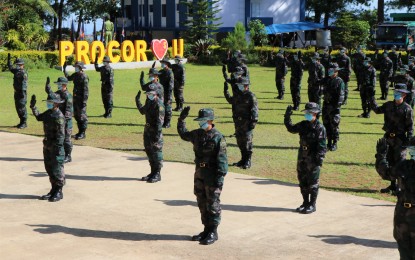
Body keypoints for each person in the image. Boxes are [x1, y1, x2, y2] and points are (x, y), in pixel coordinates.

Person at [177, 107, 228, 245]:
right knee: (201, 202)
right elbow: (183, 134)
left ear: (211, 121)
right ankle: (206, 229)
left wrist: (219, 178)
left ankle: (213, 231)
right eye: (200, 121)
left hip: (212, 175)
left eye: (204, 121)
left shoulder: (218, 137)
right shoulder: (197, 134)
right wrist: (181, 119)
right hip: (200, 173)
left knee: (213, 203)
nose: (201, 123)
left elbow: (222, 160)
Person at [375, 137, 415, 260]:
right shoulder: (405, 166)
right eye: (412, 149)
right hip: (402, 216)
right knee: (404, 251)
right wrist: (381, 155)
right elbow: (385, 172)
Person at [370, 83, 414, 195]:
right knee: (389, 161)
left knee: (400, 162)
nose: (396, 94)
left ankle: (400, 187)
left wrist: (408, 141)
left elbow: (410, 127)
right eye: (395, 92)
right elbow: (377, 110)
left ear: (404, 94)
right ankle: (392, 185)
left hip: (400, 139)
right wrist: (371, 99)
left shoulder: (407, 109)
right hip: (388, 137)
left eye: (398, 93)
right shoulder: (388, 105)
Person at [284, 102, 327, 214]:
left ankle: (312, 205)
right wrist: (287, 117)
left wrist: (319, 160)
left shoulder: (320, 128)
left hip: (313, 157)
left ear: (316, 114)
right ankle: (305, 202)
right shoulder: (303, 124)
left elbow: (322, 146)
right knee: (302, 180)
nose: (307, 114)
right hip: (302, 155)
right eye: (306, 112)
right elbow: (291, 128)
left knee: (312, 182)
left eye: (310, 112)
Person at [30, 94, 65, 202]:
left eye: (50, 102)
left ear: (56, 104)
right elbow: (39, 117)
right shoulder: (49, 113)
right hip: (47, 144)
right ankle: (53, 190)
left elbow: (61, 135)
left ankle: (59, 191)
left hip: (55, 147)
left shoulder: (59, 117)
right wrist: (33, 107)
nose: (48, 103)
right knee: (49, 168)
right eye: (48, 102)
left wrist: (57, 148)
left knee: (57, 169)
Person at [224, 77, 258, 169]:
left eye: (241, 85)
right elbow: (230, 100)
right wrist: (226, 90)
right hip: (238, 122)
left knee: (247, 141)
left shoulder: (251, 96)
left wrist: (253, 121)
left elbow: (254, 110)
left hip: (247, 122)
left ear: (246, 86)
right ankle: (243, 159)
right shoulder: (237, 95)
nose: (239, 87)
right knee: (240, 141)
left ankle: (248, 161)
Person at [135, 86, 165, 183]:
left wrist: (156, 134)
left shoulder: (159, 104)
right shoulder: (149, 102)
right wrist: (137, 101)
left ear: (156, 94)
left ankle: (157, 173)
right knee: (149, 151)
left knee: (156, 152)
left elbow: (160, 121)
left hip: (155, 131)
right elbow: (142, 111)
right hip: (147, 130)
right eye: (148, 94)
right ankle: (152, 172)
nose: (149, 96)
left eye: (151, 94)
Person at [45, 77, 73, 163]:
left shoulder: (68, 96)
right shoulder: (58, 93)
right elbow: (52, 96)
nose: (58, 86)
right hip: (59, 119)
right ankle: (61, 154)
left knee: (66, 139)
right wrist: (48, 88)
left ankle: (68, 156)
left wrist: (63, 120)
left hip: (66, 120)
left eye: (59, 84)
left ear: (64, 85)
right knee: (58, 138)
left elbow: (68, 111)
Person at [322, 63, 345, 151]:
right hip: (326, 105)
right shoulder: (327, 80)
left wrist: (337, 106)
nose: (330, 72)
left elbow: (341, 95)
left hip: (334, 107)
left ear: (336, 72)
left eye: (332, 71)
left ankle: (334, 143)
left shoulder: (339, 81)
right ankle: (328, 143)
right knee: (326, 124)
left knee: (334, 125)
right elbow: (318, 83)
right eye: (329, 70)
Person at [64, 61, 89, 140]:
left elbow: (86, 91)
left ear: (80, 68)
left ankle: (83, 133)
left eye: (77, 67)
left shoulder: (84, 77)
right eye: (75, 67)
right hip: (75, 98)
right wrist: (64, 69)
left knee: (82, 116)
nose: (75, 68)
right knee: (77, 115)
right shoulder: (76, 75)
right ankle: (79, 132)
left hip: (81, 99)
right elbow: (68, 78)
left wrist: (84, 102)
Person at [7, 53, 28, 129]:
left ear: (23, 65)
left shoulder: (24, 73)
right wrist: (9, 60)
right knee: (18, 108)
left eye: (19, 64)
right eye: (17, 64)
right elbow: (10, 67)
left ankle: (24, 122)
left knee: (22, 107)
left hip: (22, 93)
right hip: (16, 92)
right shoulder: (16, 71)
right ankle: (21, 122)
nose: (18, 66)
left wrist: (22, 92)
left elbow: (24, 83)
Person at [159, 58, 174, 128]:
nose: (162, 64)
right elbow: (155, 76)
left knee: (168, 108)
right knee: (161, 108)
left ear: (167, 64)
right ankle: (162, 122)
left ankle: (167, 123)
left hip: (167, 93)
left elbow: (171, 85)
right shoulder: (161, 71)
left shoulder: (170, 73)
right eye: (161, 63)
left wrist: (168, 95)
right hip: (161, 92)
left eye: (163, 63)